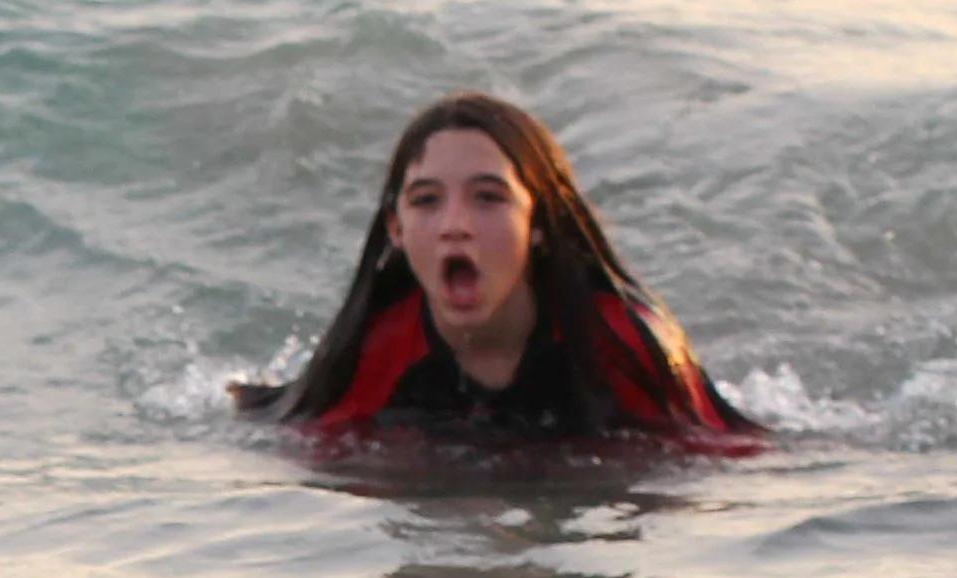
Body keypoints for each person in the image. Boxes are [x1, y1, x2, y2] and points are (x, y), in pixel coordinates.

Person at [233, 91, 762, 446]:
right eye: (425, 201)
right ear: (396, 229)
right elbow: (302, 452)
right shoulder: (373, 352)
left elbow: (723, 464)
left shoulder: (622, 343)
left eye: (488, 198)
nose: (454, 226)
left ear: (539, 222)